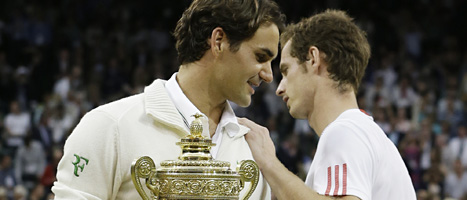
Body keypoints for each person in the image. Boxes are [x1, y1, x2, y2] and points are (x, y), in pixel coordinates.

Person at [51, 0, 285, 199]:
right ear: (219, 41)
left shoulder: (255, 149)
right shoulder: (109, 126)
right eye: (260, 56)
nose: (268, 74)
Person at [239, 10, 417, 200]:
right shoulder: (366, 134)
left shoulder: (344, 132)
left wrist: (268, 163)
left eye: (286, 71)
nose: (279, 88)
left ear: (313, 59)